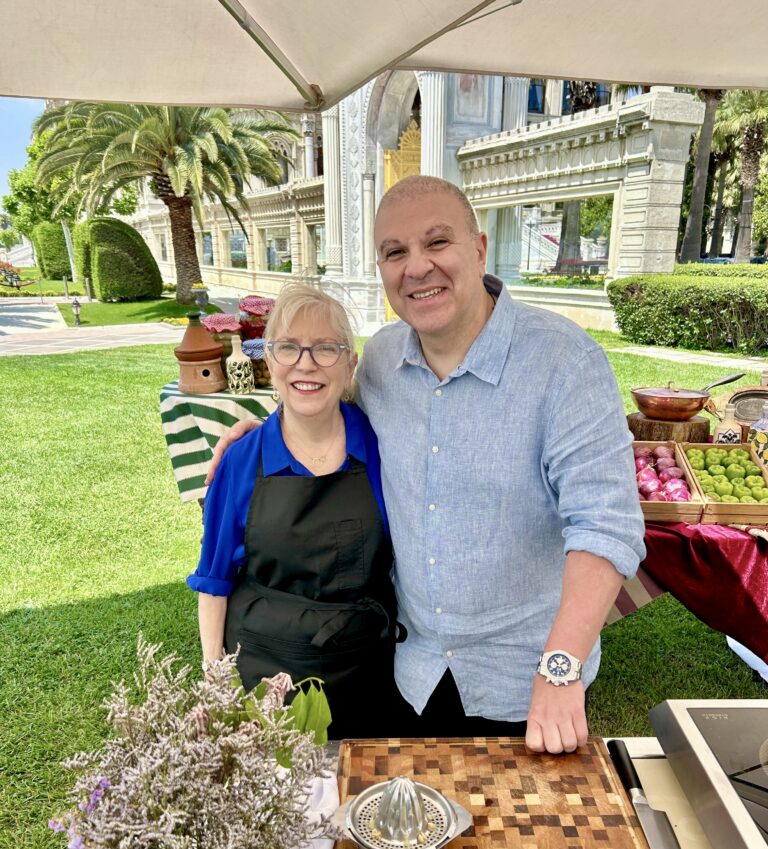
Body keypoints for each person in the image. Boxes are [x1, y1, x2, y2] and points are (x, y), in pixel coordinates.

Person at [205, 176, 646, 754]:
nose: (417, 268)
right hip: (405, 671)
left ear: (479, 248)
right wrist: (260, 433)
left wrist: (560, 669)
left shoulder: (566, 363)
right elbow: (321, 403)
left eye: (437, 243)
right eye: (395, 252)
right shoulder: (384, 358)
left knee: (515, 842)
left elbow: (606, 526)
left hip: (521, 684)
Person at [187, 284, 399, 739]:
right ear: (270, 360)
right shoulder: (242, 460)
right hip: (263, 670)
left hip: (363, 672)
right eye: (288, 348)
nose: (306, 363)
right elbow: (213, 580)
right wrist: (214, 681)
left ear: (350, 365)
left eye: (326, 348)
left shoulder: (384, 449)